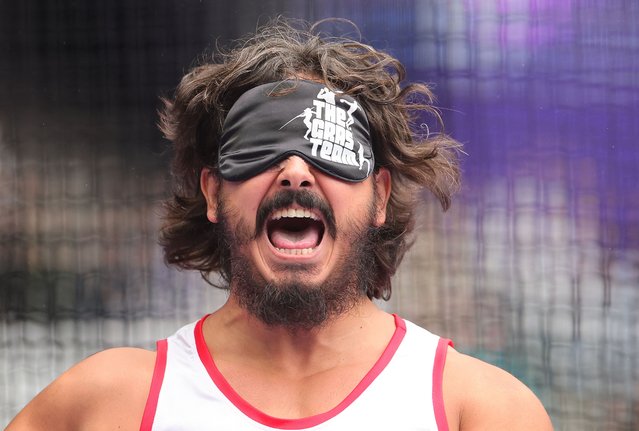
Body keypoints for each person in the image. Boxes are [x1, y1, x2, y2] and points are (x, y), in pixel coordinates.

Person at [6, 18, 553, 431]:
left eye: (327, 149)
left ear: (380, 196)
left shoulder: (477, 410)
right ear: (214, 192)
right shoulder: (109, 405)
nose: (294, 170)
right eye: (261, 148)